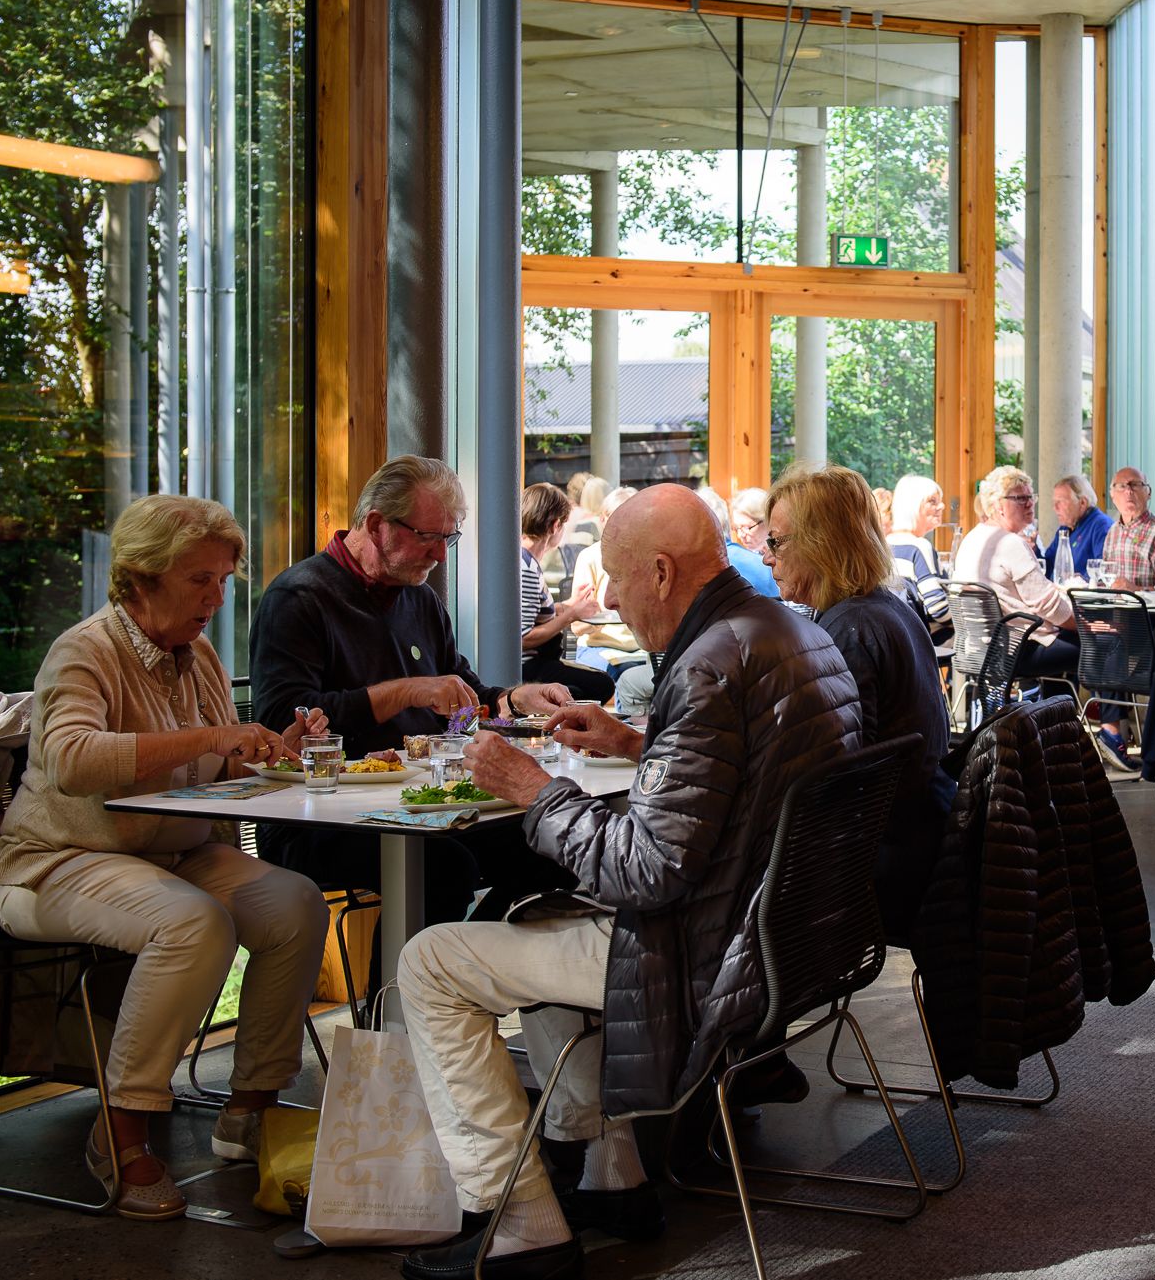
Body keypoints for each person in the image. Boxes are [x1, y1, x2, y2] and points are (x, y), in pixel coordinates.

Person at [395, 485, 862, 1280]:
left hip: (700, 954)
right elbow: (738, 788)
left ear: (660, 571)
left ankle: (519, 1223)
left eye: (614, 577)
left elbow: (647, 870)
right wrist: (640, 742)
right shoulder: (790, 630)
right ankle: (610, 1175)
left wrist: (532, 790)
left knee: (432, 961)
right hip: (792, 937)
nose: (606, 596)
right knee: (531, 913)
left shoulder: (709, 663)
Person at [0, 495, 332, 1221]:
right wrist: (212, 738)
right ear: (142, 578)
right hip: (56, 860)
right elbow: (74, 760)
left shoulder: (197, 654)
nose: (215, 598)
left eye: (222, 581)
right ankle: (121, 1130)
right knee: (194, 923)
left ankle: (251, 1107)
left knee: (297, 901)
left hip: (169, 851)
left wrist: (271, 751)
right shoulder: (85, 650)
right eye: (199, 580)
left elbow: (210, 771)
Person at [251, 456, 577, 918]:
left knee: (553, 841)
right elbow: (282, 720)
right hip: (319, 814)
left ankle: (469, 972)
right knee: (442, 867)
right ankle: (402, 989)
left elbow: (463, 701)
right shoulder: (299, 598)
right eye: (428, 537)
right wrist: (407, 692)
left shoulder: (420, 598)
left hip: (422, 803)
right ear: (377, 525)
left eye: (448, 539)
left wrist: (511, 700)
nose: (441, 554)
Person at [761, 465, 954, 943]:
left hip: (886, 865)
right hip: (929, 836)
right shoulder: (886, 607)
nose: (767, 558)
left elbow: (837, 779)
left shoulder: (849, 630)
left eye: (778, 543)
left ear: (821, 543)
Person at [1089, 466, 1155, 769]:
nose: (1129, 492)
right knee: (1092, 635)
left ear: (1148, 492)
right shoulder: (1113, 533)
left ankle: (1111, 732)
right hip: (1121, 623)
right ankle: (1111, 729)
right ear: (1112, 495)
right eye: (1122, 486)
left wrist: (1137, 589)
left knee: (1110, 640)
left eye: (1136, 485)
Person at [951, 465, 1079, 690]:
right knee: (1101, 644)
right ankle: (1110, 720)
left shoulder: (971, 539)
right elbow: (1048, 606)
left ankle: (1051, 719)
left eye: (1031, 496)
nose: (1030, 503)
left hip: (978, 650)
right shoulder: (1010, 543)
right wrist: (1087, 625)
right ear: (998, 505)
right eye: (1020, 498)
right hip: (1015, 652)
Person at [521, 481, 615, 704]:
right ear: (555, 526)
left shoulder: (526, 562)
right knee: (601, 685)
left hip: (535, 663)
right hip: (528, 667)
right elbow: (524, 637)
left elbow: (532, 615)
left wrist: (569, 605)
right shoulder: (525, 569)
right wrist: (570, 615)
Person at [567, 486, 643, 679]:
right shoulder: (590, 557)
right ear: (603, 519)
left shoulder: (644, 557)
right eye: (616, 518)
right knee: (626, 675)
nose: (623, 526)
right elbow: (578, 627)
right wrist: (599, 615)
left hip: (640, 649)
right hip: (599, 647)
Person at [887, 473, 953, 629]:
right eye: (932, 501)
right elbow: (939, 610)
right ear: (913, 506)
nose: (942, 506)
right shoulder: (918, 546)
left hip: (900, 635)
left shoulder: (884, 543)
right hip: (928, 642)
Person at [1040, 474, 1112, 580]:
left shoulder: (1101, 525)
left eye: (1061, 502)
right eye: (1054, 502)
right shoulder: (1065, 528)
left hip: (1082, 595)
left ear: (1082, 503)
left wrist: (1082, 579)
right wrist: (1033, 549)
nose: (1055, 508)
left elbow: (1104, 569)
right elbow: (1048, 568)